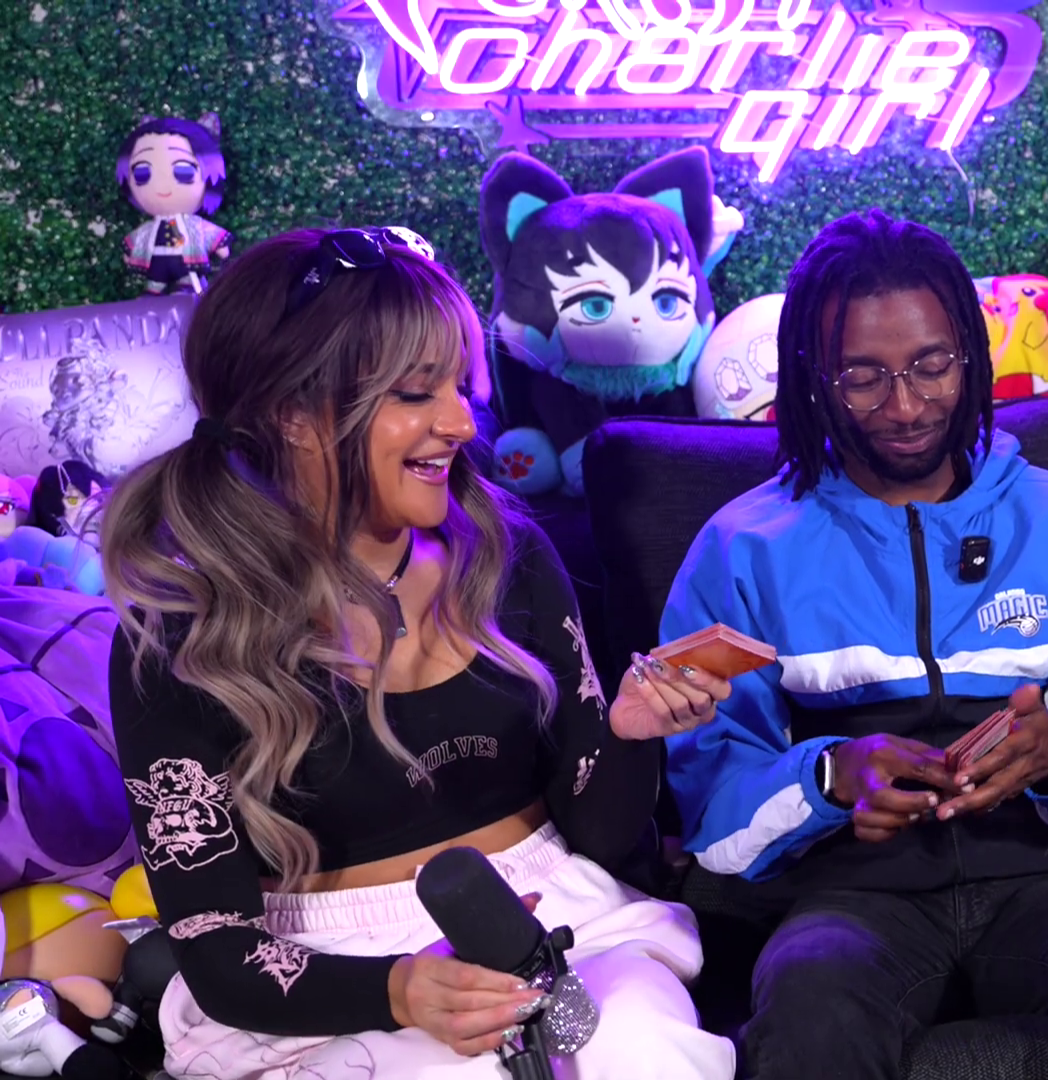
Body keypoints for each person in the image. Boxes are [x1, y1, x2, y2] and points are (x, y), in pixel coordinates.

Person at [101, 227, 736, 1080]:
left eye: (458, 384)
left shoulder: (506, 554)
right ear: (292, 414)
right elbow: (217, 948)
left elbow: (602, 840)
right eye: (414, 392)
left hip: (560, 927)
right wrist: (400, 991)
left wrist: (626, 733)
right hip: (328, 986)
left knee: (637, 1049)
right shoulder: (179, 635)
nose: (461, 422)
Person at [633, 209, 1048, 1080]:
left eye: (931, 365)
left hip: (1046, 883)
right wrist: (831, 779)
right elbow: (712, 806)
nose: (905, 405)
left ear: (970, 358)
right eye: (862, 377)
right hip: (847, 898)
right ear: (812, 378)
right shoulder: (741, 547)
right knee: (808, 1005)